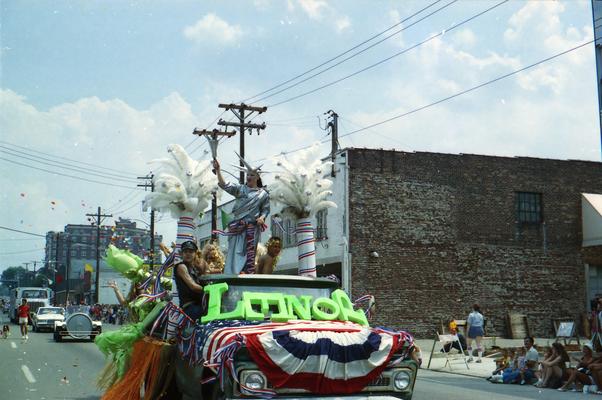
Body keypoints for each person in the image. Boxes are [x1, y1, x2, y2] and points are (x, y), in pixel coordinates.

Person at [213, 158, 270, 275]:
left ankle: (245, 272)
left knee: (249, 253)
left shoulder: (263, 194)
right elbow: (225, 185)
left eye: (252, 175)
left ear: (257, 177)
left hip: (252, 229)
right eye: (248, 174)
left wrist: (262, 218)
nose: (249, 177)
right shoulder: (241, 189)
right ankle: (232, 273)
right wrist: (218, 170)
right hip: (238, 227)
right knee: (234, 251)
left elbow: (265, 209)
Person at [174, 240, 206, 321]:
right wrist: (210, 290)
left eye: (191, 252)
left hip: (198, 305)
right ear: (182, 254)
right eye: (185, 251)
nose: (188, 254)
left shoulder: (194, 269)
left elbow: (205, 270)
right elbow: (193, 286)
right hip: (190, 308)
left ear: (195, 254)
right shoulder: (181, 267)